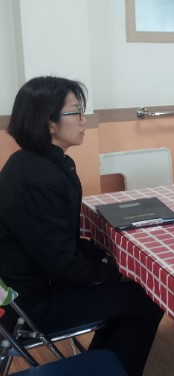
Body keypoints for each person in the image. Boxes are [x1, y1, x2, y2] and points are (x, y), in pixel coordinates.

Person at [0, 76, 164, 376]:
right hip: (35, 305)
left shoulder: (42, 163)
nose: (83, 120)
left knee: (129, 292)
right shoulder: (37, 178)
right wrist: (114, 274)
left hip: (41, 284)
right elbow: (62, 264)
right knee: (148, 299)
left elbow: (64, 242)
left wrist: (107, 263)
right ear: (49, 123)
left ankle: (105, 362)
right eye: (75, 112)